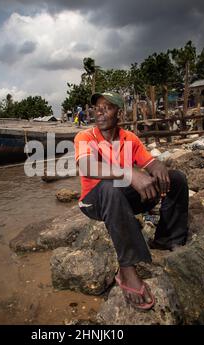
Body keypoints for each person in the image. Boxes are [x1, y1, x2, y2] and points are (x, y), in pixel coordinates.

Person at [74, 91, 189, 311]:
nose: (100, 111)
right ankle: (127, 269)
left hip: (120, 198)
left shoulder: (129, 138)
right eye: (97, 107)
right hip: (94, 201)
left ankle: (168, 238)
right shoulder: (86, 137)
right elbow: (87, 166)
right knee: (109, 186)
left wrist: (157, 167)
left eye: (107, 107)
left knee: (175, 178)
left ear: (119, 112)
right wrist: (129, 173)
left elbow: (148, 162)